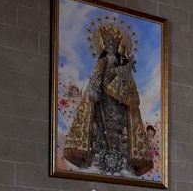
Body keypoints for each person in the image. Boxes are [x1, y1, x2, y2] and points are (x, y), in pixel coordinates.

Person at [63, 17, 152, 177]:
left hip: (120, 104)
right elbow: (96, 78)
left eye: (114, 43)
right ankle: (101, 155)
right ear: (104, 44)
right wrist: (94, 90)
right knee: (101, 128)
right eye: (108, 43)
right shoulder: (102, 62)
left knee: (119, 128)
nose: (111, 46)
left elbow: (128, 86)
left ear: (118, 45)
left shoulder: (121, 63)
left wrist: (125, 74)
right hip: (103, 101)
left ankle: (120, 156)